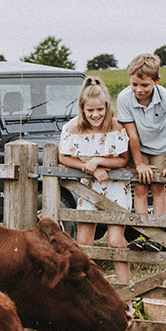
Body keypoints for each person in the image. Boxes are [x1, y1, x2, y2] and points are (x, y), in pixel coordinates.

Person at [59, 77, 131, 285]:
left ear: (107, 106)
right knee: (83, 242)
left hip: (116, 188)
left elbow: (125, 159)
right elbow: (63, 156)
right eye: (90, 110)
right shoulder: (73, 128)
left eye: (100, 109)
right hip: (88, 187)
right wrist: (87, 166)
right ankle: (88, 288)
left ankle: (126, 292)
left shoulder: (116, 127)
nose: (95, 114)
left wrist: (99, 161)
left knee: (116, 242)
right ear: (82, 109)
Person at [116, 53, 166, 252]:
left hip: (160, 147)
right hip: (137, 146)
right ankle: (142, 232)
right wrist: (139, 163)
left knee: (157, 187)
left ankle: (157, 235)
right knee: (139, 187)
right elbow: (132, 135)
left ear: (156, 81)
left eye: (145, 85)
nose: (139, 89)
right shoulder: (124, 98)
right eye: (134, 84)